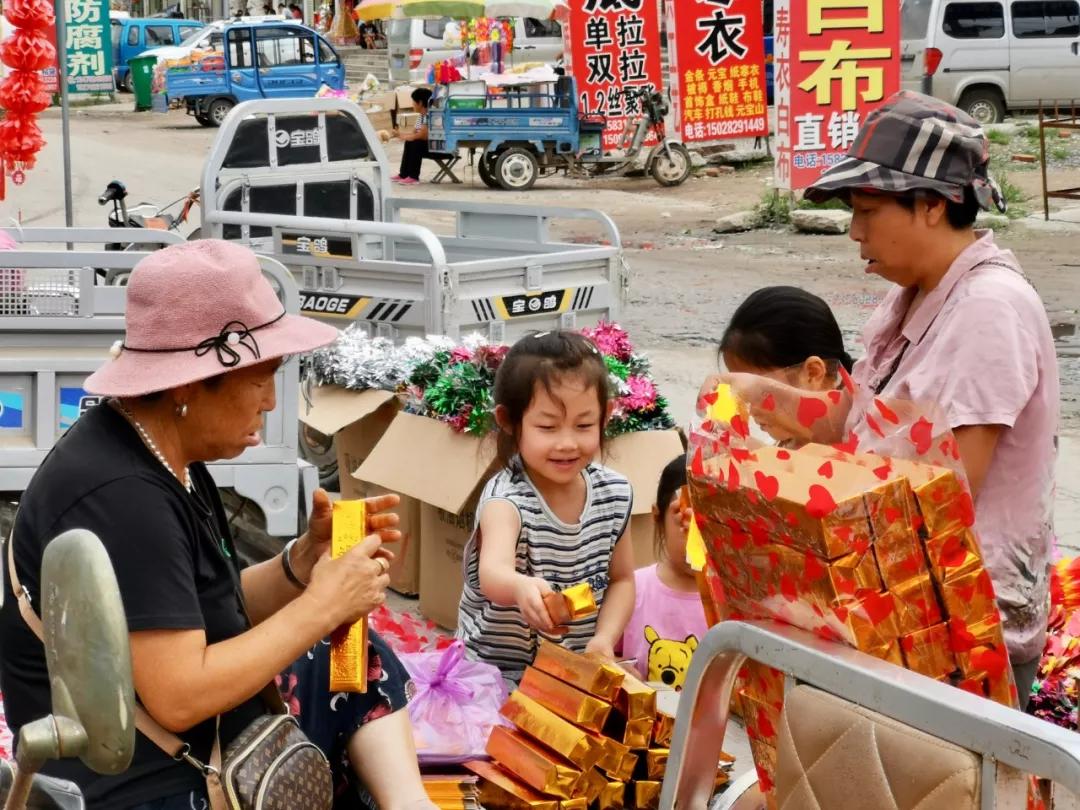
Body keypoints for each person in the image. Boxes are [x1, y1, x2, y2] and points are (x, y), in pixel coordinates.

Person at [0, 241, 435, 810]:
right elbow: (180, 697)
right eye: (260, 380)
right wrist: (322, 605)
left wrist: (301, 564)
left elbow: (208, 610)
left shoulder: (161, 452)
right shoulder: (124, 497)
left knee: (346, 654)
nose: (270, 403)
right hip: (145, 783)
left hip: (184, 734)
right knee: (325, 634)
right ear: (186, 385)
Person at [719, 91, 1060, 707]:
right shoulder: (910, 298)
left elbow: (943, 501)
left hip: (961, 632)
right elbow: (860, 423)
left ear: (931, 204)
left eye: (868, 211)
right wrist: (762, 404)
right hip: (900, 612)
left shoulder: (988, 310)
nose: (854, 231)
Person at [457, 331, 636, 683]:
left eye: (584, 425)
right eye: (548, 427)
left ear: (606, 416)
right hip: (495, 673)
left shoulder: (615, 493)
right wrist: (520, 587)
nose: (567, 443)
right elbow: (492, 573)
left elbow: (623, 579)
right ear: (509, 421)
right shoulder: (506, 500)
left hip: (570, 671)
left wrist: (603, 640)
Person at [719, 285, 854, 446]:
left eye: (759, 391)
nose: (751, 410)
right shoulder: (794, 437)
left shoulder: (865, 445)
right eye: (745, 395)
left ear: (812, 372)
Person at [619, 455, 706, 690]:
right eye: (686, 522)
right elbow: (605, 656)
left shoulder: (732, 604)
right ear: (657, 516)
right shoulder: (629, 590)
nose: (698, 540)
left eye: (708, 525)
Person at [391, 87, 433, 186]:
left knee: (416, 142)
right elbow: (414, 133)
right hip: (428, 146)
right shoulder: (421, 116)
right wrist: (401, 135)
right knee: (410, 142)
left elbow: (423, 136)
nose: (412, 104)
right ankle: (404, 174)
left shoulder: (429, 115)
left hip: (438, 149)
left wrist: (403, 136)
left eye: (413, 102)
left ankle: (414, 177)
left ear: (420, 103)